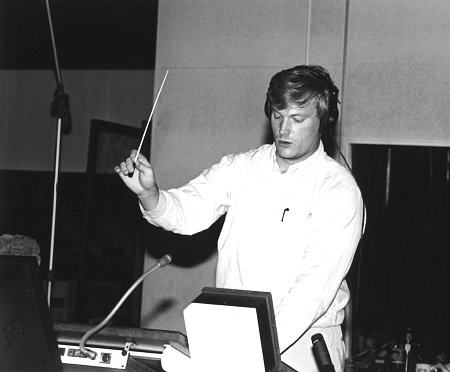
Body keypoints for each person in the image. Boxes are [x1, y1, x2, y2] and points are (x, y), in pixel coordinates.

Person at [115, 65, 364, 372]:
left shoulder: (339, 190)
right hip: (233, 339)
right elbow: (188, 210)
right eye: (277, 115)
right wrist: (150, 194)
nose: (283, 129)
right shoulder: (242, 167)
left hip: (303, 350)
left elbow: (311, 295)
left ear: (323, 120)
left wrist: (252, 354)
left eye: (297, 119)